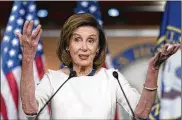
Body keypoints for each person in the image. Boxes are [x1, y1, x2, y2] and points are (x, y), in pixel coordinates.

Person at [17, 13, 180, 119]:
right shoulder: (53, 79)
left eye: (91, 41)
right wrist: (28, 58)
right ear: (67, 45)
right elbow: (30, 108)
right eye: (77, 39)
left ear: (98, 48)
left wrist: (153, 70)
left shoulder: (112, 78)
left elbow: (142, 112)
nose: (84, 47)